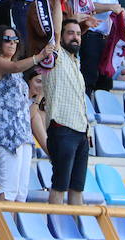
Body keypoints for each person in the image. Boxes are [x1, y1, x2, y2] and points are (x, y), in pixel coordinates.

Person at [0, 26, 51, 202]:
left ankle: (12, 229)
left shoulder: (17, 73)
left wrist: (39, 97)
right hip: (8, 133)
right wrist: (39, 56)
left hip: (23, 133)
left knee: (21, 192)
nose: (12, 43)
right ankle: (2, 228)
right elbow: (14, 66)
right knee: (9, 189)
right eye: (7, 39)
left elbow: (26, 113)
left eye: (15, 40)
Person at [44, 15, 90, 205]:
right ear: (60, 36)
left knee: (77, 188)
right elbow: (53, 30)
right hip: (62, 127)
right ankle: (54, 230)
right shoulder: (56, 56)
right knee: (59, 186)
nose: (75, 37)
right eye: (70, 33)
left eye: (78, 34)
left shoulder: (76, 62)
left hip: (81, 131)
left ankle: (75, 232)